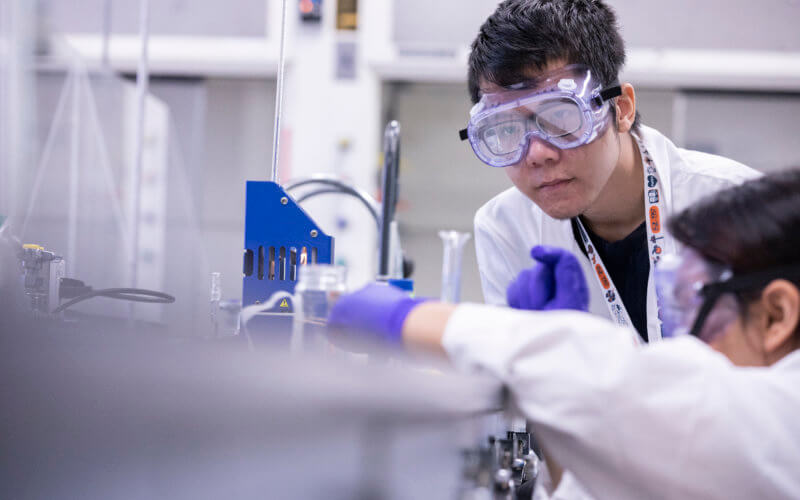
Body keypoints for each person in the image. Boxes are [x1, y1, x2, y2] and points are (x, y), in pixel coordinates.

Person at [327, 170, 800, 499]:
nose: (691, 342)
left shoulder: (780, 417)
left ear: (777, 315)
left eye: (699, 308)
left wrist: (402, 317)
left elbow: (620, 383)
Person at [462, 0, 760, 343]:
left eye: (561, 116)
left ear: (622, 108)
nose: (537, 154)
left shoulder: (735, 205)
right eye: (507, 130)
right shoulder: (504, 227)